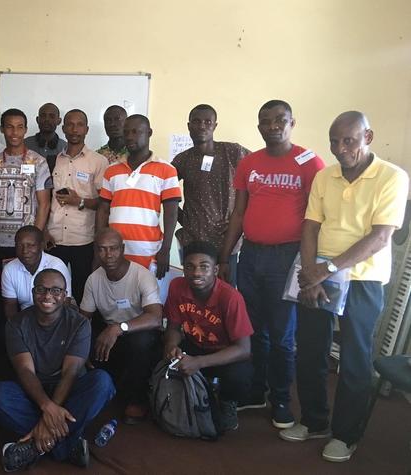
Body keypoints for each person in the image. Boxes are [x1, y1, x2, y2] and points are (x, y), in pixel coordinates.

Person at [279, 112, 409, 462]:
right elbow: (310, 226)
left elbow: (380, 236)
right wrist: (309, 272)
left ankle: (345, 435)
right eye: (334, 141)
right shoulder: (325, 175)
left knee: (354, 359)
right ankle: (314, 421)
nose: (340, 148)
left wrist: (327, 269)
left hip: (362, 280)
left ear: (368, 136)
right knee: (310, 350)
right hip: (317, 273)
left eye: (348, 140)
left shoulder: (393, 177)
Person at [218, 100, 325, 429]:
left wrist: (309, 265)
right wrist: (226, 256)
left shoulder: (310, 162)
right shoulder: (249, 163)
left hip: (288, 257)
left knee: (282, 334)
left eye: (280, 120)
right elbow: (238, 213)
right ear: (259, 126)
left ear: (293, 122)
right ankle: (257, 391)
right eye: (266, 121)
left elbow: (316, 217)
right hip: (251, 254)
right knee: (254, 329)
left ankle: (280, 399)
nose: (273, 125)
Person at [0, 269, 115, 472]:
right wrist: (48, 408)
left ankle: (34, 447)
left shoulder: (79, 323)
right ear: (32, 292)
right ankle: (66, 446)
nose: (47, 296)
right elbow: (25, 372)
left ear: (65, 295)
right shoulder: (16, 324)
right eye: (41, 289)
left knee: (102, 383)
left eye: (56, 290)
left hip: (67, 390)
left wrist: (49, 414)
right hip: (33, 392)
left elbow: (70, 373)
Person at [163, 241, 254, 433]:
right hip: (194, 345)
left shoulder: (230, 298)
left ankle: (227, 401)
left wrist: (199, 362)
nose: (196, 273)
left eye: (204, 267)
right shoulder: (177, 286)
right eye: (190, 266)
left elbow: (244, 349)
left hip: (224, 353)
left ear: (216, 269)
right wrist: (172, 347)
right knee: (158, 349)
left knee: (240, 375)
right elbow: (173, 326)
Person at [79, 228, 162, 424]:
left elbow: (156, 318)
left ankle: (137, 399)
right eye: (102, 249)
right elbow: (84, 319)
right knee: (86, 344)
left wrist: (118, 328)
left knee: (140, 343)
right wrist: (80, 351)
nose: (108, 255)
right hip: (110, 337)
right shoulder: (94, 279)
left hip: (139, 334)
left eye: (113, 249)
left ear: (122, 248)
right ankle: (108, 389)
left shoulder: (141, 275)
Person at [172, 104, 250, 286]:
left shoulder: (233, 152)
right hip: (194, 242)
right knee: (194, 293)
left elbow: (257, 173)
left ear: (215, 126)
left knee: (225, 294)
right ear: (189, 125)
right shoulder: (183, 159)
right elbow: (162, 189)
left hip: (226, 242)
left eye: (208, 122)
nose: (202, 126)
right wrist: (184, 218)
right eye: (196, 122)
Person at [97, 114, 181, 278]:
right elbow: (103, 210)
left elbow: (171, 212)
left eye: (136, 132)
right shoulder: (112, 170)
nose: (129, 137)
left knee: (147, 301)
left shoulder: (167, 170)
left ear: (149, 133)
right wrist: (99, 246)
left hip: (148, 252)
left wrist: (165, 249)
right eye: (126, 132)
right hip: (113, 253)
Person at [46, 109, 108, 303]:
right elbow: (45, 198)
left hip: (84, 239)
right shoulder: (52, 160)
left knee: (83, 292)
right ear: (63, 128)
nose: (74, 129)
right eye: (70, 124)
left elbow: (104, 202)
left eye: (79, 124)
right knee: (53, 291)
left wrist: (78, 201)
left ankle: (81, 331)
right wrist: (43, 231)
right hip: (53, 238)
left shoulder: (99, 161)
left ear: (87, 129)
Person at [0, 108, 52, 263]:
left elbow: (44, 204)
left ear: (26, 130)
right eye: (9, 126)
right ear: (1, 129)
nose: (15, 132)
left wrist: (36, 239)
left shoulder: (38, 162)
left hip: (28, 243)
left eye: (20, 127)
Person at [2, 226, 71, 320]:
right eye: (20, 245)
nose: (25, 251)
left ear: (41, 245)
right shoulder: (9, 269)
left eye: (31, 245)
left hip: (55, 320)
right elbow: (10, 308)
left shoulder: (57, 266)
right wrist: (17, 330)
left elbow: (64, 304)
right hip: (24, 321)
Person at [24, 103, 67, 169]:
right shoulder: (25, 145)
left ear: (59, 121)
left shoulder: (65, 148)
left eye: (52, 116)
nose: (47, 119)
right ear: (37, 119)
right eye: (43, 116)